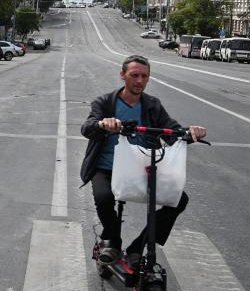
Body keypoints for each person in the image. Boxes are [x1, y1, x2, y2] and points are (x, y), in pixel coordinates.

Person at [80, 55, 207, 266]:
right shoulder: (105, 102)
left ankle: (137, 248)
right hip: (106, 167)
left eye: (144, 76)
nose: (139, 81)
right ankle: (112, 240)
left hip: (140, 168)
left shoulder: (152, 105)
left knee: (179, 200)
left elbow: (172, 131)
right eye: (134, 75)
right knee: (103, 197)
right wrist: (103, 124)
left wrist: (191, 132)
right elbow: (87, 127)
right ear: (123, 75)